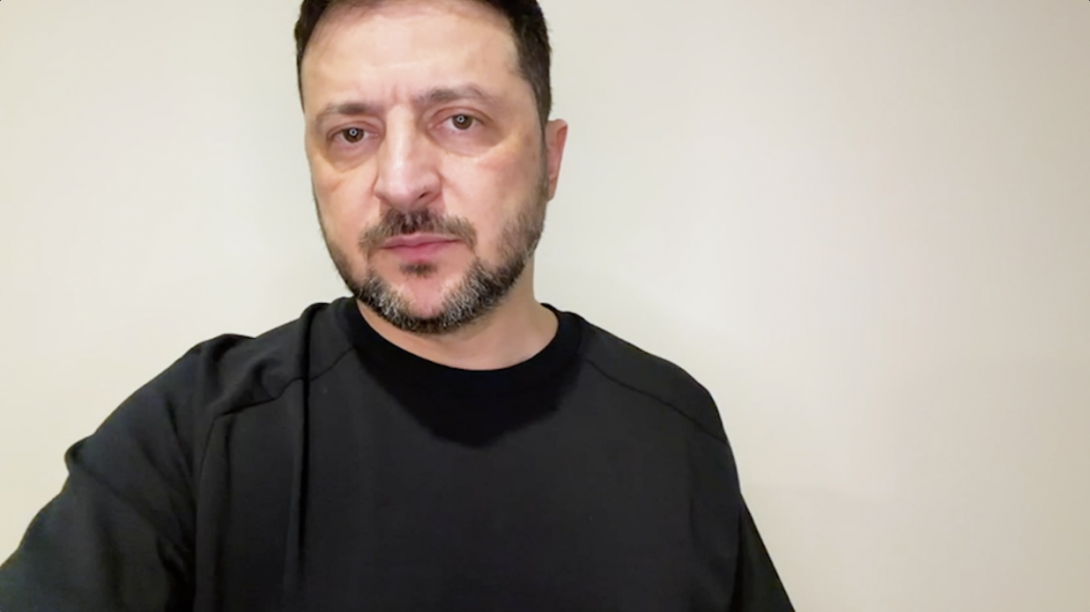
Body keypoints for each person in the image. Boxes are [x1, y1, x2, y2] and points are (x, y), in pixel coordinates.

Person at [0, 0, 794, 609]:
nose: (402, 182)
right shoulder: (199, 432)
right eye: (352, 134)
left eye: (460, 120)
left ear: (551, 160)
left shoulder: (673, 431)